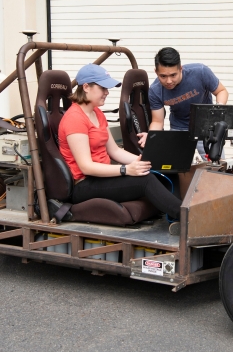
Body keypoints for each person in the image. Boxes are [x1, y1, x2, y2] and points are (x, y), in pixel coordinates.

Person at [58, 63, 182, 231]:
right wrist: (126, 170)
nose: (107, 92)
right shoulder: (75, 118)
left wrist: (147, 161)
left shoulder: (97, 113)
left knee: (161, 171)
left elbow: (114, 151)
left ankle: (179, 216)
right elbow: (86, 167)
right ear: (86, 87)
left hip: (101, 178)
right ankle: (189, 218)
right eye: (103, 88)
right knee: (145, 181)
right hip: (84, 184)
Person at [138, 47, 228, 158]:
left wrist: (217, 111)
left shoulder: (201, 72)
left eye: (173, 75)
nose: (169, 81)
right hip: (179, 128)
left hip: (206, 126)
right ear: (156, 72)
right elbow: (157, 121)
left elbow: (221, 91)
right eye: (163, 76)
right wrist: (150, 137)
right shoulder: (155, 91)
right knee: (178, 168)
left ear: (181, 69)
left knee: (216, 166)